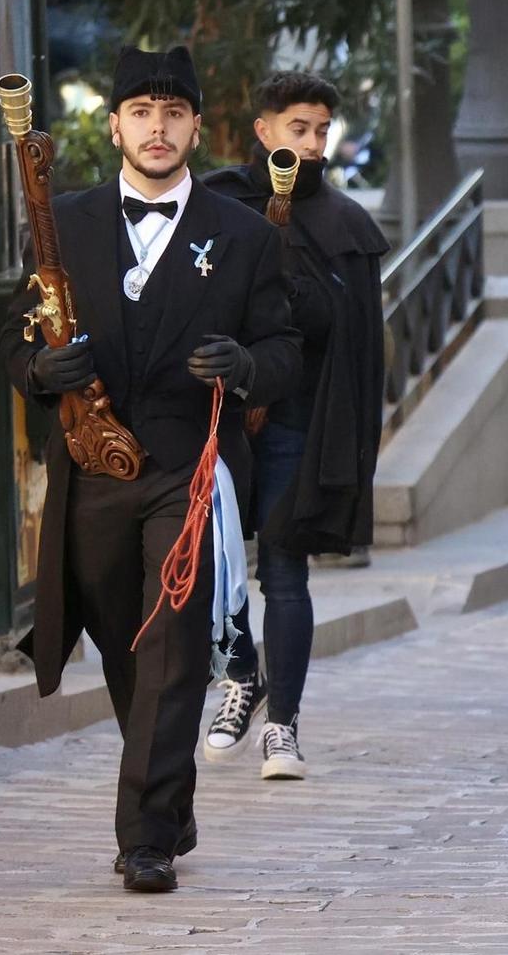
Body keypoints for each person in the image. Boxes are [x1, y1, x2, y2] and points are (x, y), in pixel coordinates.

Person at [2, 46, 300, 893]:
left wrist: (243, 363)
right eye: (142, 112)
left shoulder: (243, 235)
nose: (157, 127)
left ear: (197, 127)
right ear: (114, 126)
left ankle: (147, 836)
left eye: (174, 113)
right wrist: (38, 371)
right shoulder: (61, 221)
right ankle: (169, 794)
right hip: (94, 471)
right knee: (123, 639)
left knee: (170, 644)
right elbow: (14, 336)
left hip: (191, 469)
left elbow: (285, 352)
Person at [201, 72, 389, 780]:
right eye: (297, 128)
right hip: (218, 414)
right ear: (264, 130)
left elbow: (351, 339)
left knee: (284, 566)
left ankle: (282, 723)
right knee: (213, 568)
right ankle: (239, 678)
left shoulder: (346, 227)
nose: (309, 143)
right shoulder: (218, 203)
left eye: (320, 130)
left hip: (297, 419)